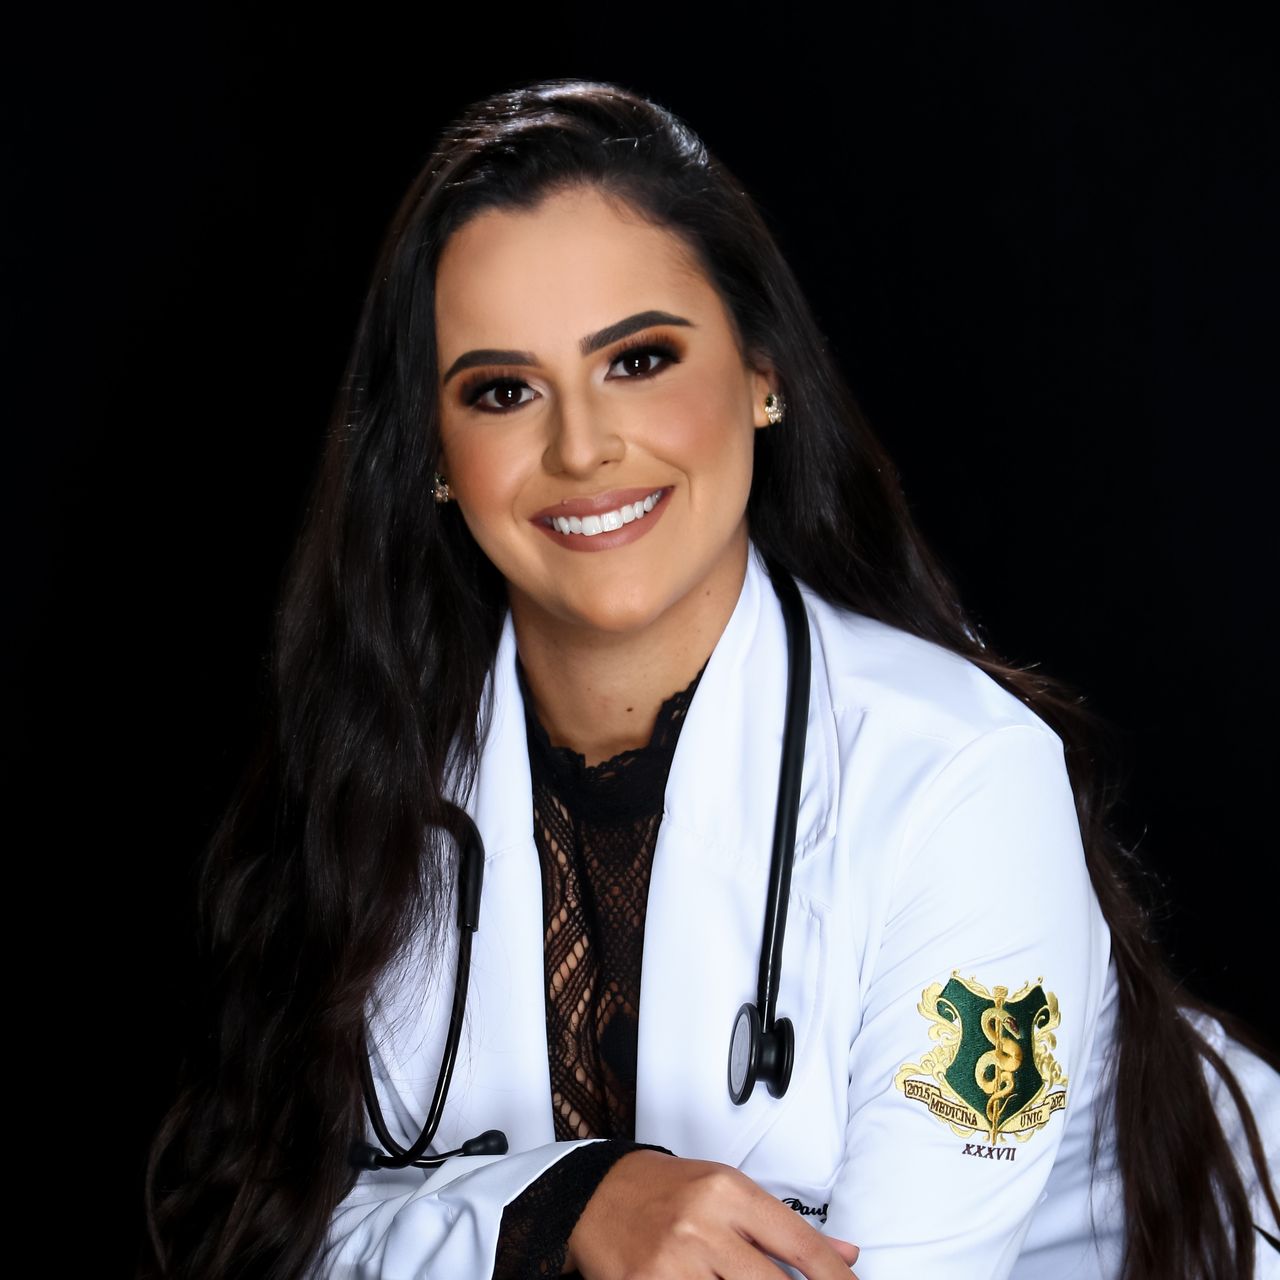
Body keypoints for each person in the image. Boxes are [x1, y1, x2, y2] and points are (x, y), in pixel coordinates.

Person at [143, 79, 1279, 1280]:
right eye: (502, 390)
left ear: (760, 373)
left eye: (637, 359)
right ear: (432, 452)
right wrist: (561, 1204)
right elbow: (254, 1231)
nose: (581, 447)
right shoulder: (366, 770)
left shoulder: (962, 781)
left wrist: (455, 1228)